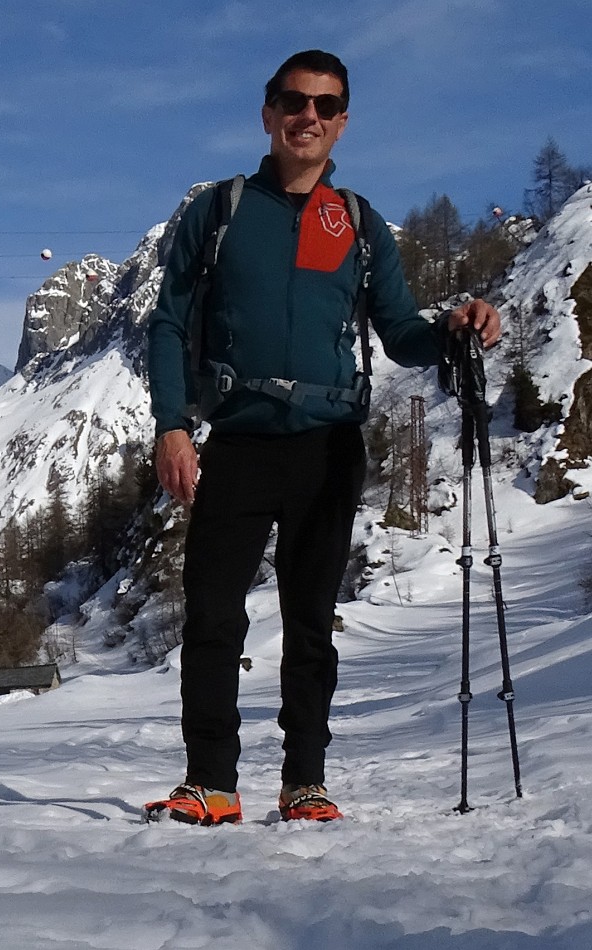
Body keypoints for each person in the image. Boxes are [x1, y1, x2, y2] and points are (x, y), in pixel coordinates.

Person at [142, 51, 501, 824]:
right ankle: (211, 781)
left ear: (342, 122)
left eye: (325, 105)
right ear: (268, 114)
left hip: (328, 446)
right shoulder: (221, 209)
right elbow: (168, 322)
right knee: (211, 613)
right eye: (294, 102)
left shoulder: (360, 223)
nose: (309, 116)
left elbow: (401, 332)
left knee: (310, 621)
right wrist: (173, 425)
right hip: (236, 441)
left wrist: (455, 329)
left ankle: (305, 779)